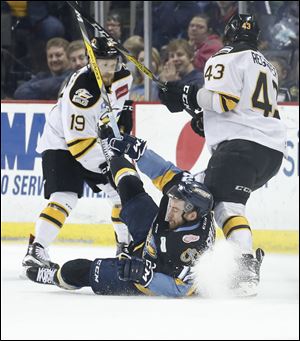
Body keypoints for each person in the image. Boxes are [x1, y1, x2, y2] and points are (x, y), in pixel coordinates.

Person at [159, 14, 287, 296]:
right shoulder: (267, 66)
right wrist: (205, 118)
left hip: (241, 147)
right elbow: (243, 108)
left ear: (228, 34)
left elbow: (222, 101)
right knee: (202, 190)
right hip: (270, 152)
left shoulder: (224, 56)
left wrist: (186, 94)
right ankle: (213, 254)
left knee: (225, 206)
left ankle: (243, 264)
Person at [25, 127, 216, 297]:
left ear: (191, 216)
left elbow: (182, 288)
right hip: (153, 234)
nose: (169, 210)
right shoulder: (190, 203)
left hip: (145, 274)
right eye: (172, 203)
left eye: (175, 209)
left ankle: (55, 277)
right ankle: (112, 154)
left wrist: (147, 277)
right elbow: (166, 172)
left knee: (79, 270)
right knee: (130, 185)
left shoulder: (191, 247)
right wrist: (139, 152)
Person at [22, 37, 134, 270]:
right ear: (92, 62)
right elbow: (79, 146)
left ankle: (126, 247)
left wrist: (120, 126)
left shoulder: (124, 76)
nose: (108, 69)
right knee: (65, 196)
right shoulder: (81, 92)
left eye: (111, 62)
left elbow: (118, 113)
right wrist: (107, 166)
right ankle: (37, 250)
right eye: (102, 63)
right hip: (62, 142)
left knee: (122, 192)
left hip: (93, 140)